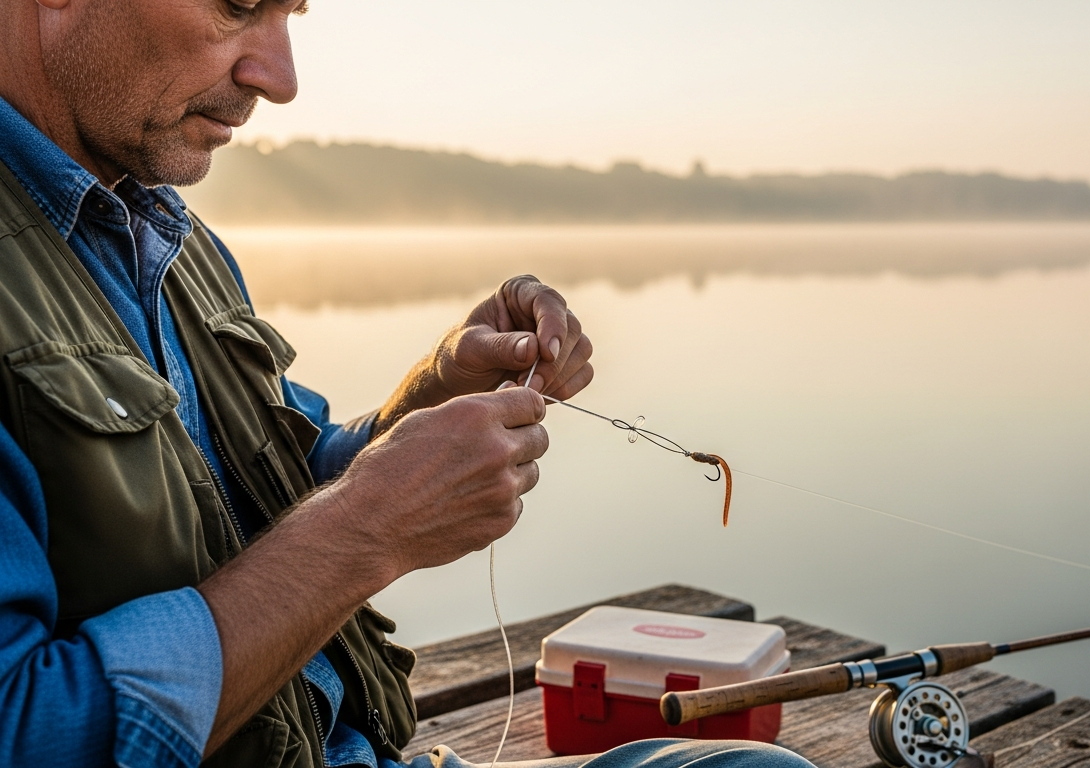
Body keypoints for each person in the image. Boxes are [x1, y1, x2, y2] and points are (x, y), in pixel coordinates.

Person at [0, 2, 816, 767]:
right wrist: (362, 532)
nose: (281, 78)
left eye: (295, 13)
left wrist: (436, 394)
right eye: (239, 5)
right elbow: (23, 729)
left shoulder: (161, 228)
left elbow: (269, 484)